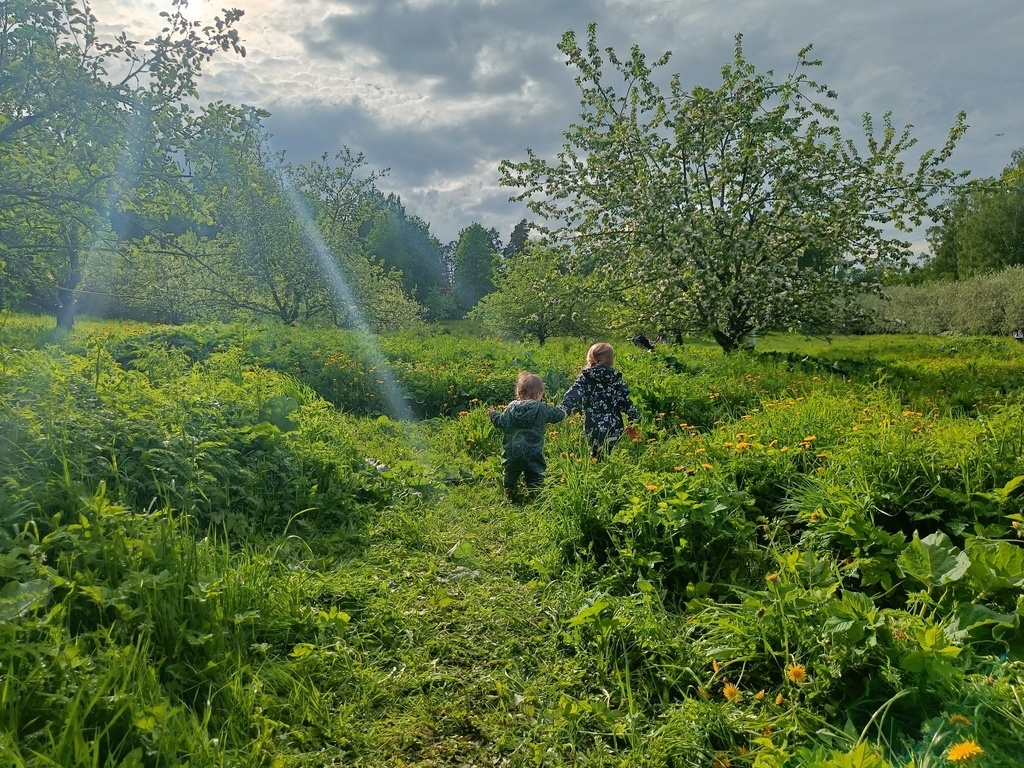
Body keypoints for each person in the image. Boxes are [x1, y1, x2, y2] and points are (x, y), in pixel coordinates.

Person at [488, 372, 566, 503]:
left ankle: (510, 494)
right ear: (537, 394)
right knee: (534, 475)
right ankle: (536, 497)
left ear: (519, 393)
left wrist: (494, 414)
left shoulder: (511, 408)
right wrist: (565, 411)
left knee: (510, 473)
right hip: (533, 453)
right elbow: (557, 415)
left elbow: (501, 423)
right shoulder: (541, 408)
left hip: (512, 453)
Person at [560, 342, 641, 460]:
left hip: (593, 429)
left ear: (590, 360)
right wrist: (634, 420)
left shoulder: (586, 378)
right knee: (613, 456)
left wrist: (563, 411)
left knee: (596, 457)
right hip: (614, 428)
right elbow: (627, 403)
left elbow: (572, 396)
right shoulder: (616, 379)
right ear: (610, 360)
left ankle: (597, 466)